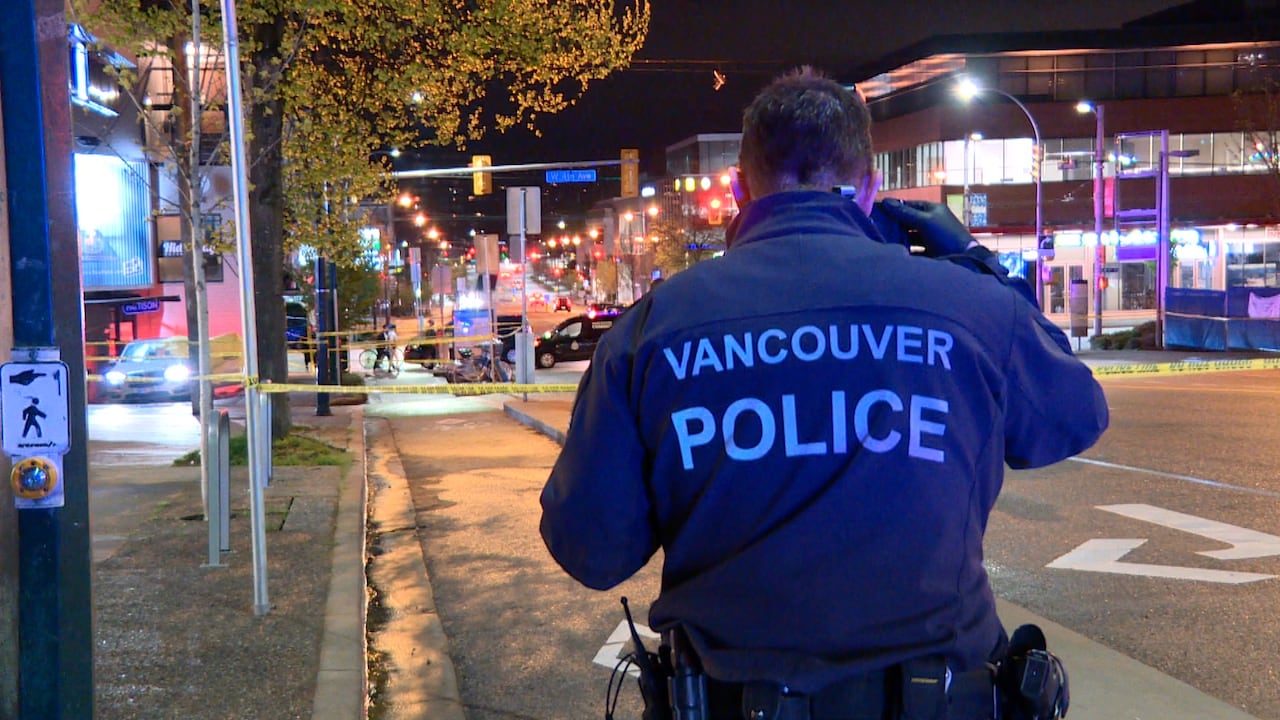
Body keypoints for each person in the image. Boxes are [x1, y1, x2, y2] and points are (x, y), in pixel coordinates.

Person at [539, 67, 1107, 719]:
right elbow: (1074, 416)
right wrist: (982, 266)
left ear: (736, 187)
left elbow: (591, 548)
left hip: (728, 702)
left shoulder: (652, 330)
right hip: (939, 700)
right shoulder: (970, 308)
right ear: (870, 188)